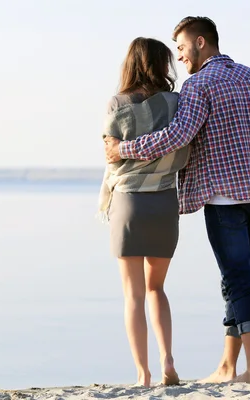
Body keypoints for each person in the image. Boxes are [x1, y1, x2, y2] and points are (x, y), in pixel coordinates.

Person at [104, 17, 250, 385]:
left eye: (182, 47)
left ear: (200, 42)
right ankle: (227, 364)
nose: (179, 56)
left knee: (238, 279)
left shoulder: (199, 84)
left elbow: (178, 135)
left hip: (223, 200)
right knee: (233, 279)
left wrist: (123, 148)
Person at [99, 37, 190, 387]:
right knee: (157, 288)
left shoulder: (117, 102)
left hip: (129, 204)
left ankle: (143, 374)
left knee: (133, 294)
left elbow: (110, 153)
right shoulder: (177, 103)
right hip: (165, 203)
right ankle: (168, 360)